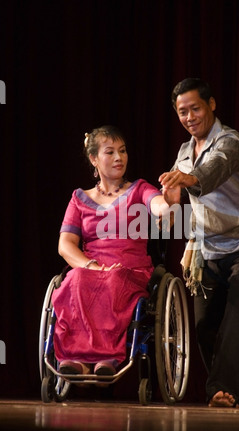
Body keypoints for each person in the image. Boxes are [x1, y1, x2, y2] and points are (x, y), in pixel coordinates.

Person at [159, 78, 239, 407]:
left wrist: (188, 179)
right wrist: (167, 200)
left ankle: (221, 390)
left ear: (211, 105)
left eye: (195, 108)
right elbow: (170, 193)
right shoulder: (184, 152)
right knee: (204, 327)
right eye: (182, 112)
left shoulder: (230, 143)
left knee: (237, 307)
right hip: (208, 253)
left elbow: (211, 172)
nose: (189, 116)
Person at [52, 125, 180, 376]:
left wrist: (170, 203)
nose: (119, 158)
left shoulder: (140, 189)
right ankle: (76, 358)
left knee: (114, 278)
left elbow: (159, 208)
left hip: (130, 271)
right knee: (75, 278)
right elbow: (65, 245)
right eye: (110, 152)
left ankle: (107, 357)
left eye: (122, 151)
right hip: (91, 269)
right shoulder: (79, 198)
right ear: (94, 159)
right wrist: (92, 266)